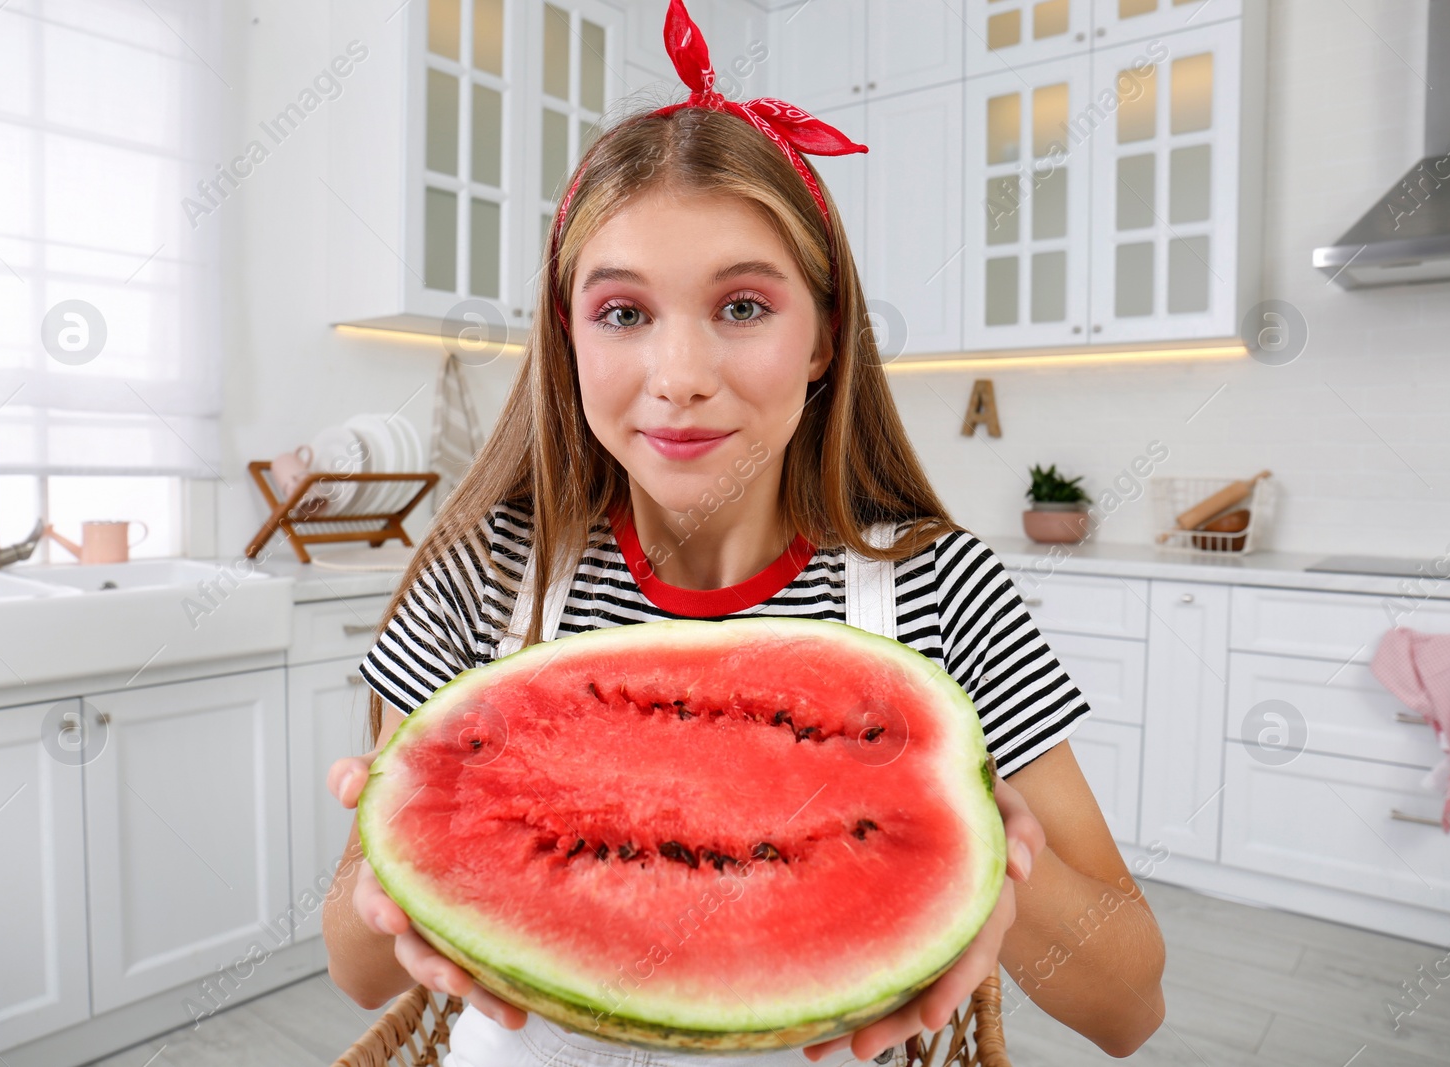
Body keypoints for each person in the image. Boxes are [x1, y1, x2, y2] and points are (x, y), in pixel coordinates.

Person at [323, 2, 1165, 1063]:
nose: (679, 377)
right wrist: (408, 830)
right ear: (567, 334)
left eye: (742, 307)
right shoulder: (483, 575)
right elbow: (355, 971)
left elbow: (1131, 1006)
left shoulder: (937, 588)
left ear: (822, 337)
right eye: (622, 313)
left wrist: (977, 852)